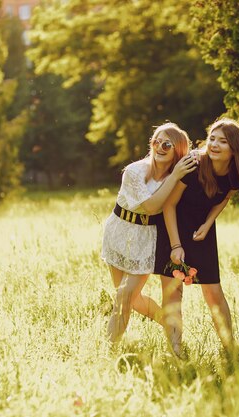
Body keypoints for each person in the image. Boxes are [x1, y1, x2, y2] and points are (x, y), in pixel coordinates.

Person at [156, 117, 239, 354]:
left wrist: (208, 223)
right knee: (174, 290)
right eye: (212, 139)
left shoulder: (234, 174)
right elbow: (168, 206)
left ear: (234, 149)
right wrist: (176, 246)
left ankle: (230, 348)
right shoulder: (193, 165)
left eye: (222, 141)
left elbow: (224, 198)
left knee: (213, 291)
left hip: (201, 231)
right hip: (172, 226)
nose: (214, 145)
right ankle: (176, 351)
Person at [103, 122, 198, 349]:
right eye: (156, 141)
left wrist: (175, 176)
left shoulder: (177, 178)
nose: (160, 147)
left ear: (178, 151)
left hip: (146, 238)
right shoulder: (135, 171)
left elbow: (162, 209)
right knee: (130, 298)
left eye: (168, 144)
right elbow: (151, 205)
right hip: (119, 231)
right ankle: (167, 322)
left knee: (124, 296)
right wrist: (174, 176)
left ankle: (109, 348)